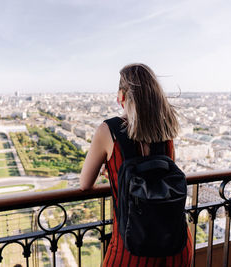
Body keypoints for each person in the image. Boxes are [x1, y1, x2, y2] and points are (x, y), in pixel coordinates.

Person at [79, 63, 193, 266]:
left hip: (133, 245)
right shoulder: (165, 130)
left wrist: (114, 173)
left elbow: (85, 183)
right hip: (175, 241)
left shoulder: (109, 131)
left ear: (122, 95)